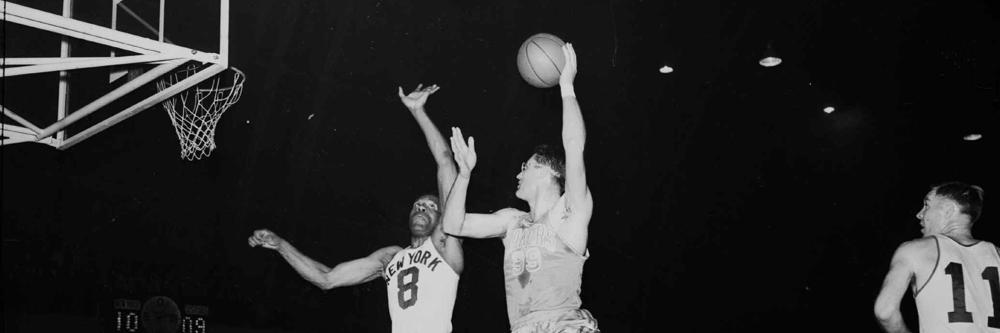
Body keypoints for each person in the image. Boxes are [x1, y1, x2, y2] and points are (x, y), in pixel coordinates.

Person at [248, 84, 464, 333]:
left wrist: (418, 111)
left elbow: (446, 162)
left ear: (441, 217)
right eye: (418, 205)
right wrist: (280, 245)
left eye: (430, 206)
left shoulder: (444, 242)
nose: (422, 208)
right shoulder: (390, 257)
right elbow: (327, 279)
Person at [443, 43, 599, 333]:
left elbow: (574, 147)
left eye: (525, 167)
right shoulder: (511, 221)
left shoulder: (569, 211)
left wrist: (566, 86)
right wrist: (464, 175)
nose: (518, 173)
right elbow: (454, 224)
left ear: (548, 170)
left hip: (564, 325)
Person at [874, 182, 998, 333]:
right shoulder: (996, 253)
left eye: (927, 205)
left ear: (948, 210)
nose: (920, 214)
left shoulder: (915, 250)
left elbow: (884, 311)